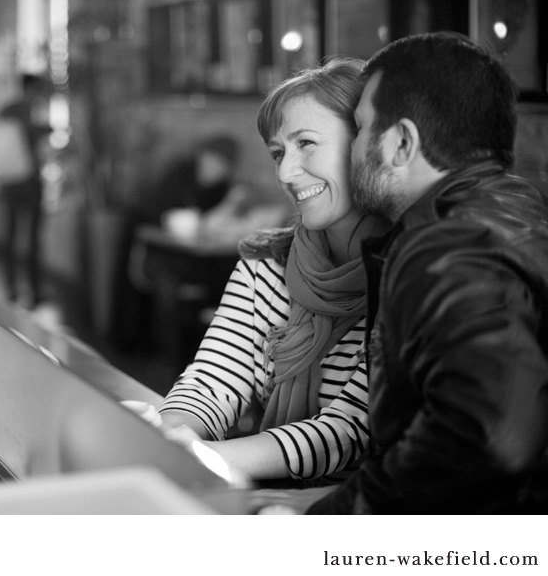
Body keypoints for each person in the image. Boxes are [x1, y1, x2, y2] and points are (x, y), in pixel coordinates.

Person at [291, 32, 548, 514]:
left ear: (402, 142)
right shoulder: (513, 207)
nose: (353, 149)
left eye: (362, 128)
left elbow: (493, 433)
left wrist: (326, 523)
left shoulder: (452, 246)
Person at [157, 58, 389, 484]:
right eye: (279, 152)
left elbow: (350, 429)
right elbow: (213, 378)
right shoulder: (264, 266)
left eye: (306, 144)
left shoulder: (408, 272)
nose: (285, 172)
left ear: (366, 144)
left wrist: (202, 457)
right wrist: (170, 435)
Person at [0, 73, 52, 306]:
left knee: (11, 236)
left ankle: (11, 289)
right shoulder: (29, 111)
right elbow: (31, 138)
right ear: (33, 88)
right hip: (28, 182)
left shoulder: (6, 110)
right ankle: (35, 290)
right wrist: (46, 130)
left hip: (10, 183)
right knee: (32, 238)